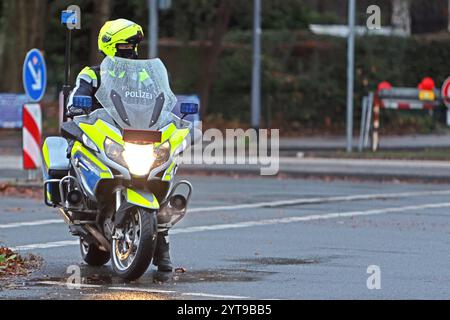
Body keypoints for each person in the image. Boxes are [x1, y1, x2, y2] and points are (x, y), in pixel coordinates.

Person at [67, 18, 173, 273]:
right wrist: (77, 105)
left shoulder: (145, 74)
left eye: (133, 44)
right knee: (76, 151)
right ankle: (78, 199)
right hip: (104, 132)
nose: (130, 48)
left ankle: (162, 243)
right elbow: (76, 96)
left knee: (156, 176)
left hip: (136, 134)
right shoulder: (93, 73)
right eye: (125, 43)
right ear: (110, 45)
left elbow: (162, 98)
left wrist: (171, 115)